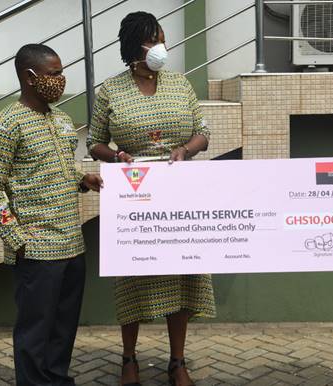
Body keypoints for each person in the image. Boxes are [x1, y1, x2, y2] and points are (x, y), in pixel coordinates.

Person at [87, 11, 215, 386]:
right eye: (153, 40)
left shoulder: (180, 84)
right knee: (133, 276)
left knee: (182, 273)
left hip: (179, 192)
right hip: (133, 195)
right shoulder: (111, 90)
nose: (161, 46)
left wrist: (185, 150)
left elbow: (203, 133)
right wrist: (118, 157)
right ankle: (129, 359)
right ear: (134, 48)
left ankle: (178, 361)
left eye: (161, 38)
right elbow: (95, 142)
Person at [0, 43, 103, 386]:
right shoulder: (6, 124)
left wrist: (82, 178)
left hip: (72, 246)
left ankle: (56, 380)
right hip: (36, 249)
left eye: (62, 72)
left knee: (63, 328)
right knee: (35, 332)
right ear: (30, 77)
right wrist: (15, 238)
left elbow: (55, 168)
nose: (60, 80)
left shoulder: (61, 120)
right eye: (53, 73)